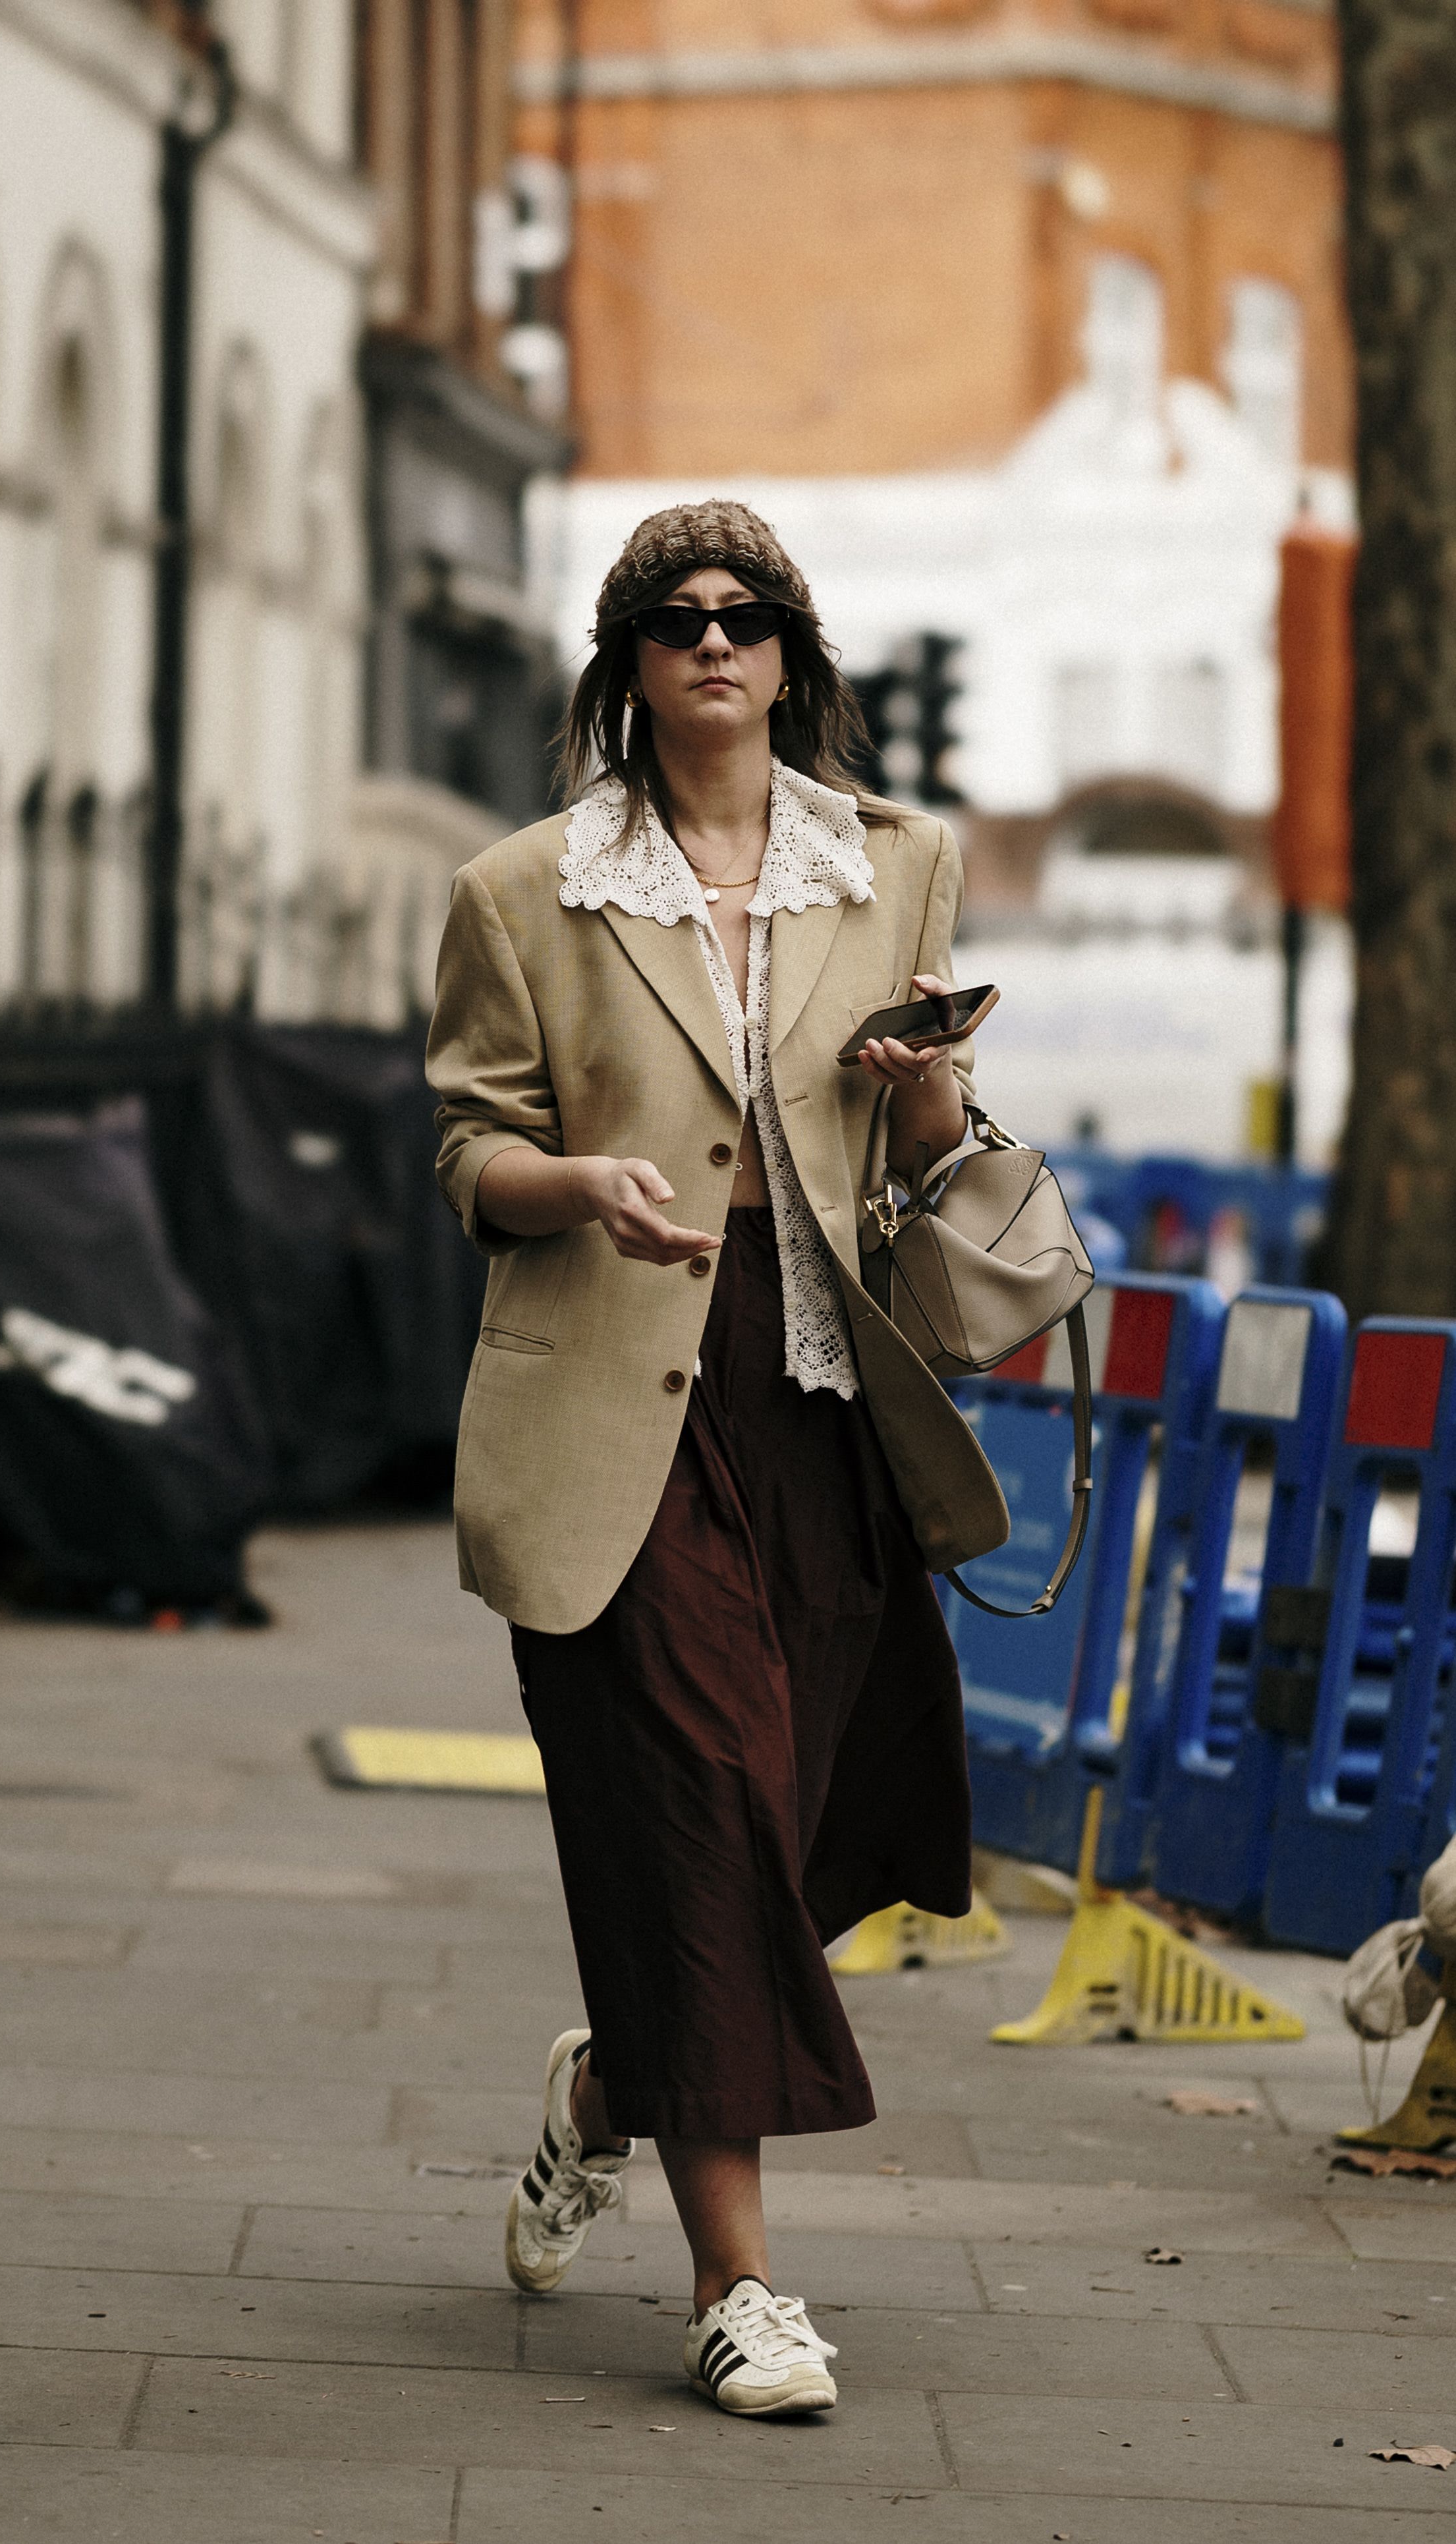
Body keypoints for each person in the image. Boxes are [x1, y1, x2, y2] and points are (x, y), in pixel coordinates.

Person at [426, 501, 1007, 2418]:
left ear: (791, 648)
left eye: (746, 612)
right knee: (697, 1804)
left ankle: (612, 2083)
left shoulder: (900, 864)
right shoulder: (526, 891)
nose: (713, 640)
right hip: (613, 1395)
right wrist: (570, 1182)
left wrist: (926, 1094)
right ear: (627, 662)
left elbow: (929, 1147)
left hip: (823, 1388)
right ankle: (741, 2288)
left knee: (814, 1814)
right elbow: (464, 1153)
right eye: (673, 617)